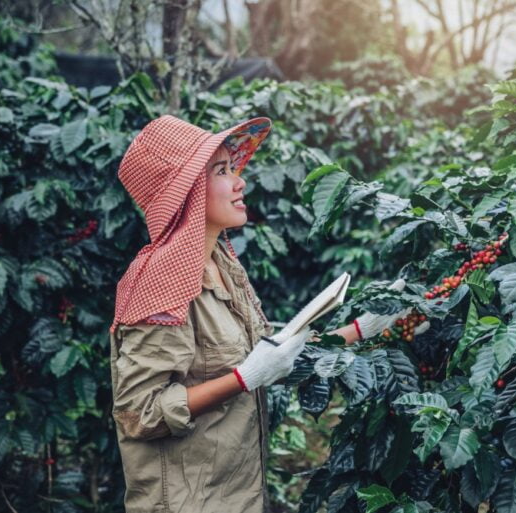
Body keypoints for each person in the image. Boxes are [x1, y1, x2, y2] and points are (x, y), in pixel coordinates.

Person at [108, 115, 427, 512]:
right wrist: (242, 379)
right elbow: (140, 412)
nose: (240, 181)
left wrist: (365, 327)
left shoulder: (221, 265)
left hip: (237, 494)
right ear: (187, 191)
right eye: (222, 171)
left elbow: (273, 353)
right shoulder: (162, 283)